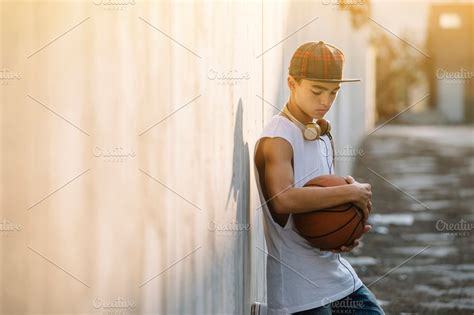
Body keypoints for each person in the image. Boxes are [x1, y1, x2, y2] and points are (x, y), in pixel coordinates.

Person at [253, 41, 385, 314]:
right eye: (316, 91)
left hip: (334, 274)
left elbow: (321, 208)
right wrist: (351, 192)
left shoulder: (322, 135)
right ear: (292, 83)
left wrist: (342, 234)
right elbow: (283, 199)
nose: (325, 101)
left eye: (333, 92)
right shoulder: (278, 138)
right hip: (298, 288)